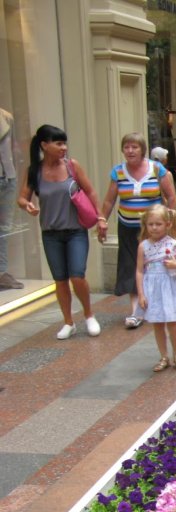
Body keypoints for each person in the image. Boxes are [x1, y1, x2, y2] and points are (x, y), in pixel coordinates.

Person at [17, 124, 101, 339]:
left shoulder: (72, 166)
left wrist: (100, 217)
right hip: (51, 233)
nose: (63, 147)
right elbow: (22, 197)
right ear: (45, 145)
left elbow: (90, 191)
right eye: (58, 143)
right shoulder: (34, 171)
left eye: (64, 143)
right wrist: (27, 205)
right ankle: (68, 322)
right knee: (60, 279)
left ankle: (89, 315)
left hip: (76, 231)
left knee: (77, 275)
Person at [97, 131, 176, 329]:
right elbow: (109, 200)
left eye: (135, 147)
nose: (130, 151)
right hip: (128, 226)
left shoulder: (156, 169)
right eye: (127, 147)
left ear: (143, 150)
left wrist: (172, 222)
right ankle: (136, 310)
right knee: (133, 266)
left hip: (154, 229)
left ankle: (161, 304)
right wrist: (101, 220)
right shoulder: (118, 172)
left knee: (156, 265)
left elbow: (171, 196)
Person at [136, 204, 176, 372]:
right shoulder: (143, 246)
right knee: (157, 323)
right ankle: (163, 356)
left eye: (158, 224)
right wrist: (141, 294)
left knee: (172, 322)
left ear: (167, 224)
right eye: (150, 224)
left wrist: (175, 264)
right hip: (152, 287)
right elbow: (139, 271)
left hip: (169, 286)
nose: (154, 227)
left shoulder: (174, 245)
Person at [0, 107, 22, 291]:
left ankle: (1, 271)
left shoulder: (6, 116)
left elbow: (13, 149)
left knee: (5, 227)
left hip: (8, 177)